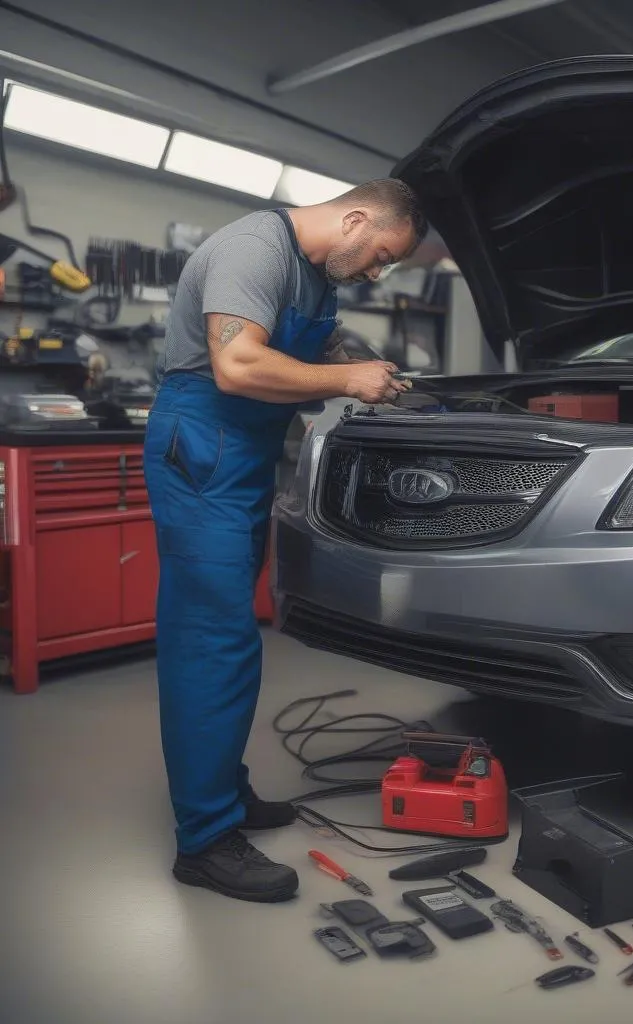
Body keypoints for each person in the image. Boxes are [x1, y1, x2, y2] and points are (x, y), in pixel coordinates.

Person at [142, 179, 426, 902]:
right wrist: (346, 376)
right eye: (381, 256)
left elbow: (307, 364)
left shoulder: (313, 275)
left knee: (233, 630)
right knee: (212, 641)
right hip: (202, 443)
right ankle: (204, 841)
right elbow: (238, 365)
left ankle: (224, 795)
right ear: (356, 218)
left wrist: (372, 384)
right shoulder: (253, 248)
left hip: (240, 456)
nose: (376, 274)